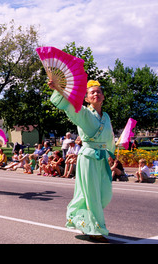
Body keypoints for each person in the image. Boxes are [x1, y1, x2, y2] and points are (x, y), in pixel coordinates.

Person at [49, 79, 114, 242]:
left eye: (99, 91)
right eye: (92, 92)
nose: (96, 94)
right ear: (86, 98)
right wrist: (58, 88)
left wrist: (112, 153)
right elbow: (68, 104)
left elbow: (110, 138)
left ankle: (83, 219)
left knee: (104, 194)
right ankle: (96, 229)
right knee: (91, 193)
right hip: (88, 157)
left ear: (103, 97)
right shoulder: (83, 112)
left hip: (102, 157)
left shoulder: (106, 117)